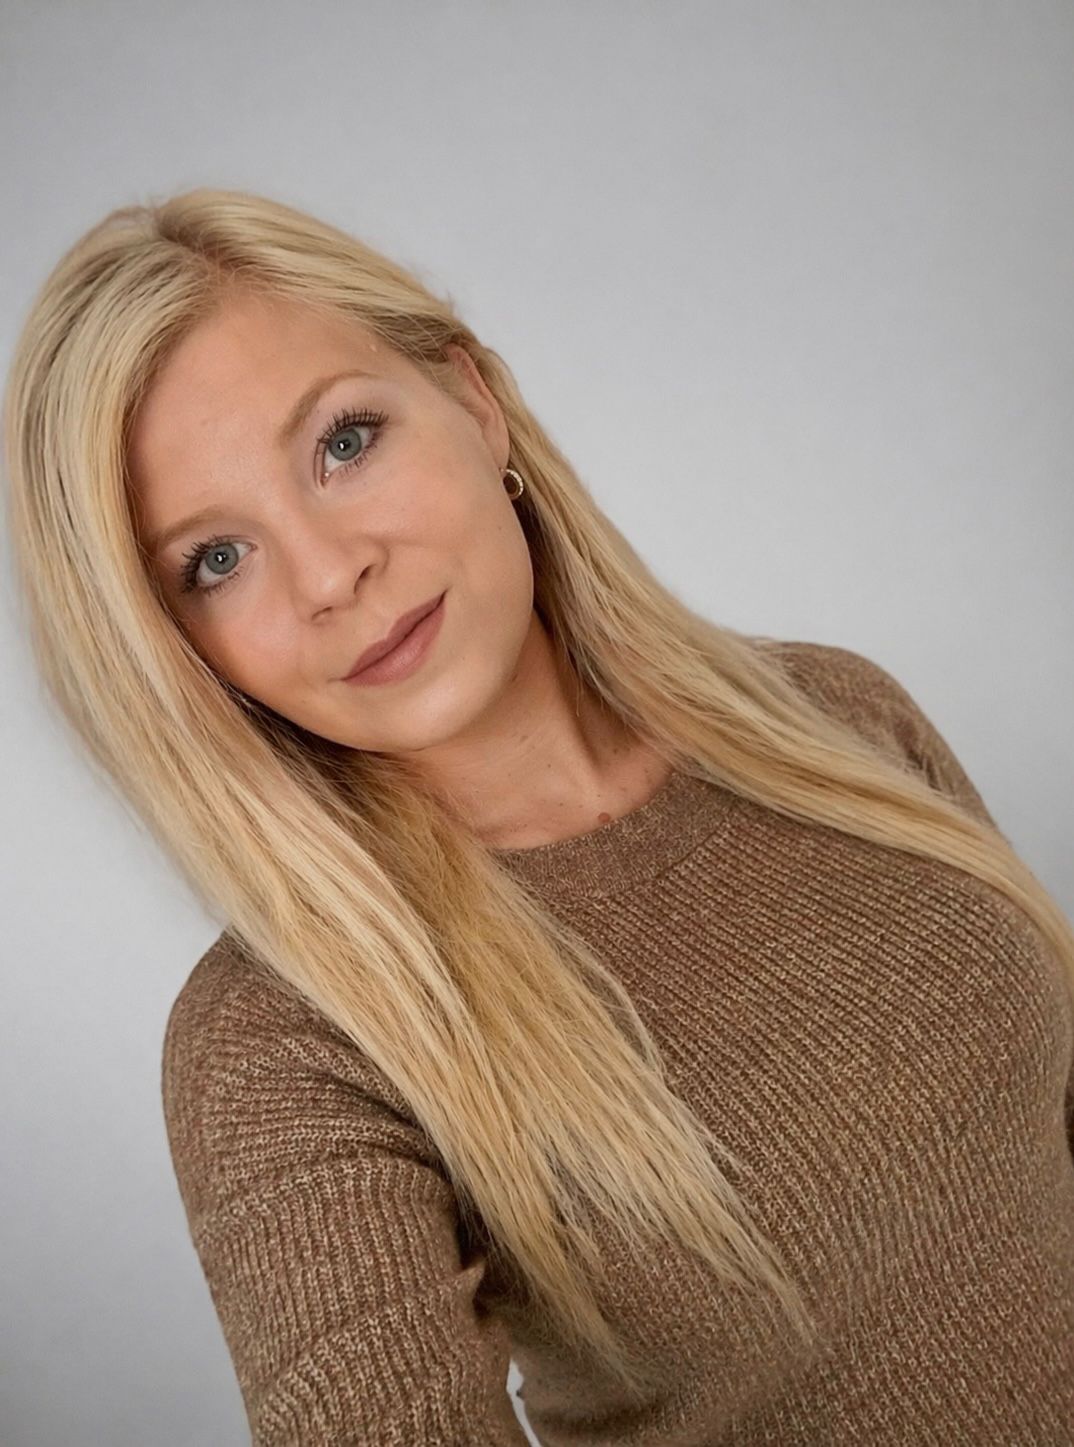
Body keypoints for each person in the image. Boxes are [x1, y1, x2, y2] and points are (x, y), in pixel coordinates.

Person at [4, 187, 1072, 1446]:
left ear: (473, 402)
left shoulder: (838, 714)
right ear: (178, 654)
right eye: (215, 561)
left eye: (345, 441)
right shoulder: (284, 1039)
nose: (331, 573)